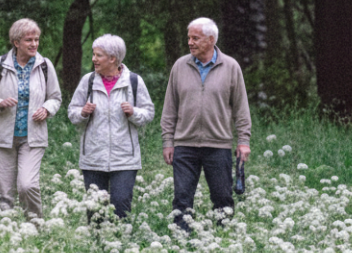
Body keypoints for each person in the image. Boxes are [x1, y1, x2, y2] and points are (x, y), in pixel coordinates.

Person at [160, 17, 251, 228]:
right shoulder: (179, 66)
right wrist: (168, 142)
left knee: (222, 199)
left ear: (211, 40)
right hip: (184, 145)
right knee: (182, 200)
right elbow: (169, 108)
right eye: (188, 38)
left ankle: (224, 242)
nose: (190, 42)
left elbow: (241, 108)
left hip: (218, 145)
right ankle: (181, 244)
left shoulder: (231, 67)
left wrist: (243, 141)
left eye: (195, 38)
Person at [0, 18, 62, 218]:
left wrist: (47, 109)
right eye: (28, 40)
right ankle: (9, 235)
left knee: (27, 185)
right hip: (2, 138)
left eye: (36, 40)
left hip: (32, 137)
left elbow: (56, 97)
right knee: (5, 194)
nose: (34, 44)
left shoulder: (45, 66)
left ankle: (35, 226)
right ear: (16, 43)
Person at [67, 34, 155, 219]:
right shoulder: (88, 81)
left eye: (98, 55)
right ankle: (96, 246)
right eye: (94, 54)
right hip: (93, 157)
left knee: (121, 205)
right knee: (95, 210)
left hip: (124, 159)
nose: (93, 59)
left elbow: (148, 113)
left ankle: (120, 244)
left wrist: (133, 112)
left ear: (113, 58)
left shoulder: (134, 81)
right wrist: (83, 112)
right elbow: (72, 112)